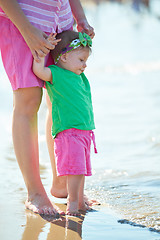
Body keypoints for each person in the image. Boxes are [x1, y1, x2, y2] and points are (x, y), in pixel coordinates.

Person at [0, 0, 95, 216]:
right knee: (29, 99)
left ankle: (62, 183)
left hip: (61, 23)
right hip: (22, 22)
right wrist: (27, 30)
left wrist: (80, 17)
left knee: (61, 97)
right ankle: (35, 192)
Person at [33, 30, 97, 216]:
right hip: (68, 132)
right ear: (65, 57)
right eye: (81, 60)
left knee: (82, 169)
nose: (85, 65)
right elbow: (39, 71)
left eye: (86, 61)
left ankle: (79, 199)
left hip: (84, 131)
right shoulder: (57, 74)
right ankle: (73, 202)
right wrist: (42, 54)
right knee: (74, 169)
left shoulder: (80, 77)